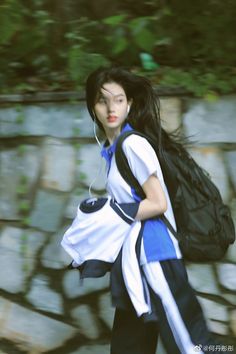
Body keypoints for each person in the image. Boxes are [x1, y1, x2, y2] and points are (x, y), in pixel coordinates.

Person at [85, 66, 220, 354]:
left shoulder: (132, 145)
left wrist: (111, 214)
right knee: (127, 348)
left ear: (129, 103)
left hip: (156, 258)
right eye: (102, 100)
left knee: (192, 346)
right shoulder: (112, 150)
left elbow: (157, 202)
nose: (111, 108)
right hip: (134, 266)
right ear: (92, 106)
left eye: (118, 100)